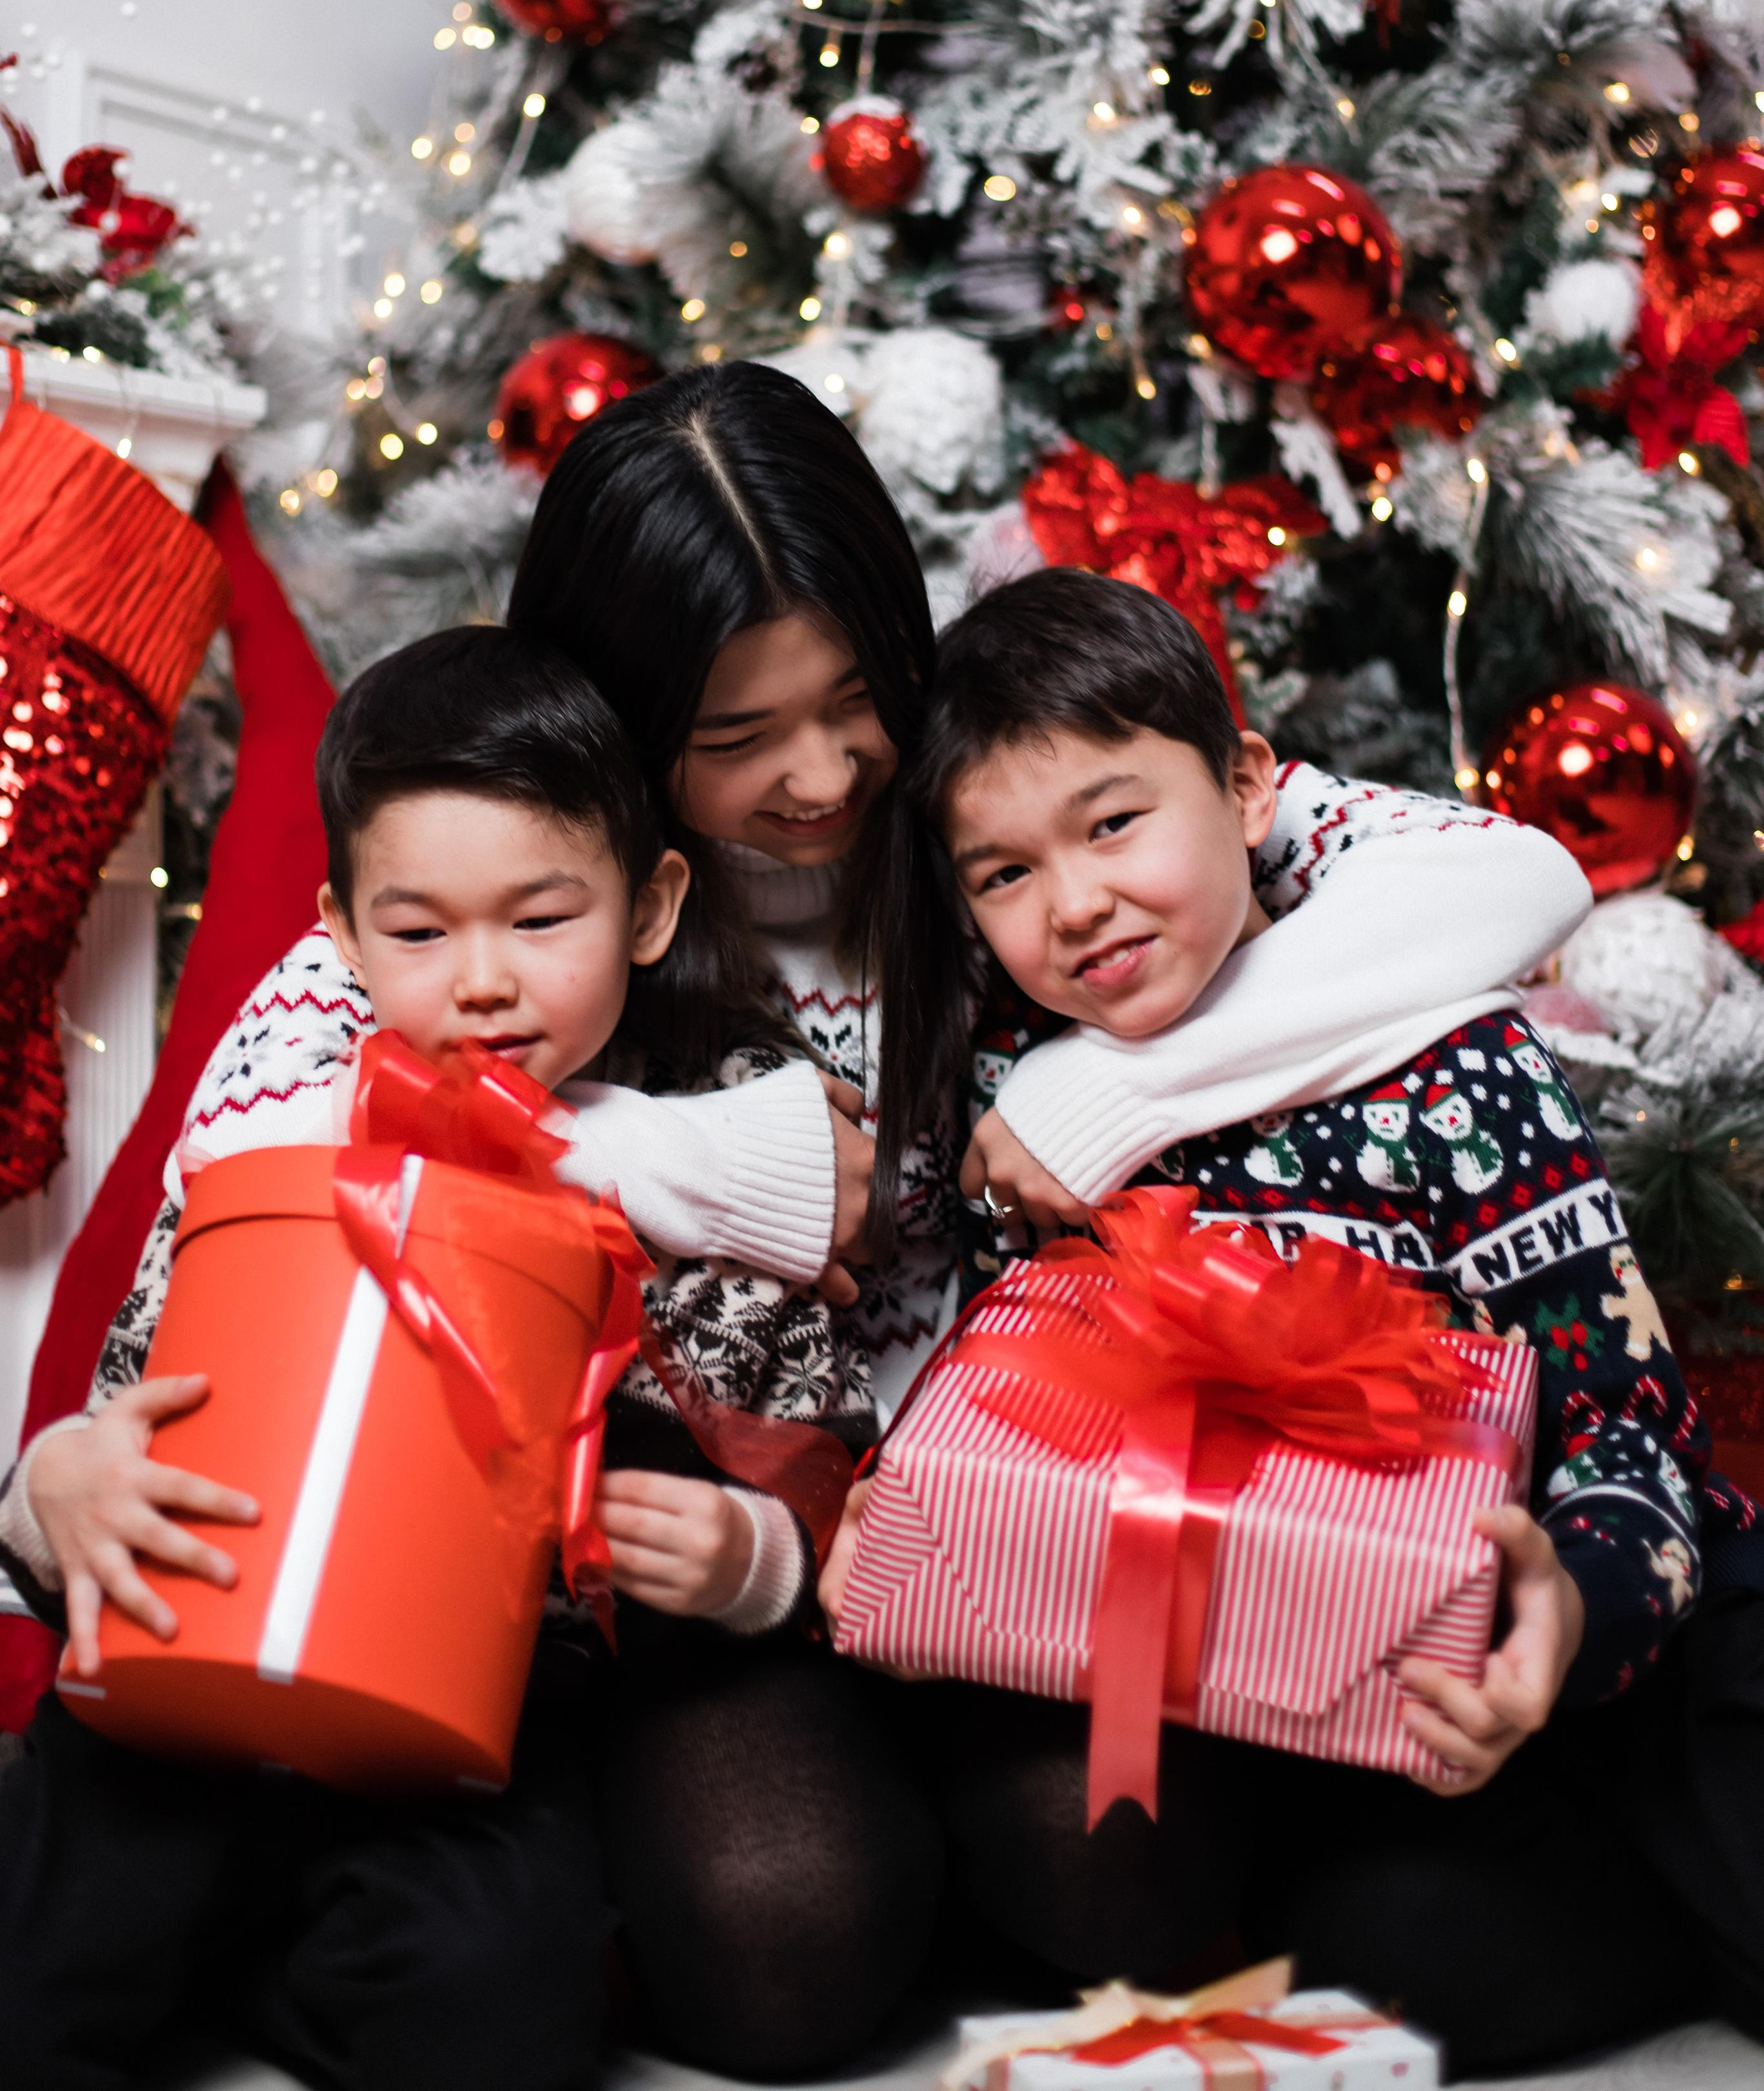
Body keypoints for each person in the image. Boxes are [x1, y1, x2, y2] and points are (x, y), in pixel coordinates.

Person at [54, 365, 1594, 2078]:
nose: (818, 774)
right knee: (784, 1944)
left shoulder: (991, 790)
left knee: (1123, 1870)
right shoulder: (509, 862)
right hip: (729, 1544)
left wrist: (1119, 1095)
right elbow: (294, 1166)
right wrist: (715, 1164)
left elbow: (1507, 876)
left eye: (852, 696)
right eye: (733, 735)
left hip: (1010, 1492)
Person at [853, 562, 1764, 2073]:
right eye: (1001, 873)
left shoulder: (1437, 1052)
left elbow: (1631, 1422)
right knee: (1399, 1951)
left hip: (1606, 1620)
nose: (1074, 904)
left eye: (1113, 821)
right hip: (1347, 1686)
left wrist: (1571, 1612)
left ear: (1248, 786)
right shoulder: (1004, 1108)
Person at [0, 626, 766, 2091]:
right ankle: (184, 1935)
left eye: (542, 921)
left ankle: (256, 1960)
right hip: (183, 1683)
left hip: (464, 1729)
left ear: (652, 903)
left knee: (496, 2002)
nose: (480, 985)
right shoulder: (269, 1144)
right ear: (340, 935)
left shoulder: (706, 1164)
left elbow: (787, 1443)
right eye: (417, 935)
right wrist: (55, 1488)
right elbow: (119, 1415)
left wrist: (738, 1550)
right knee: (38, 1971)